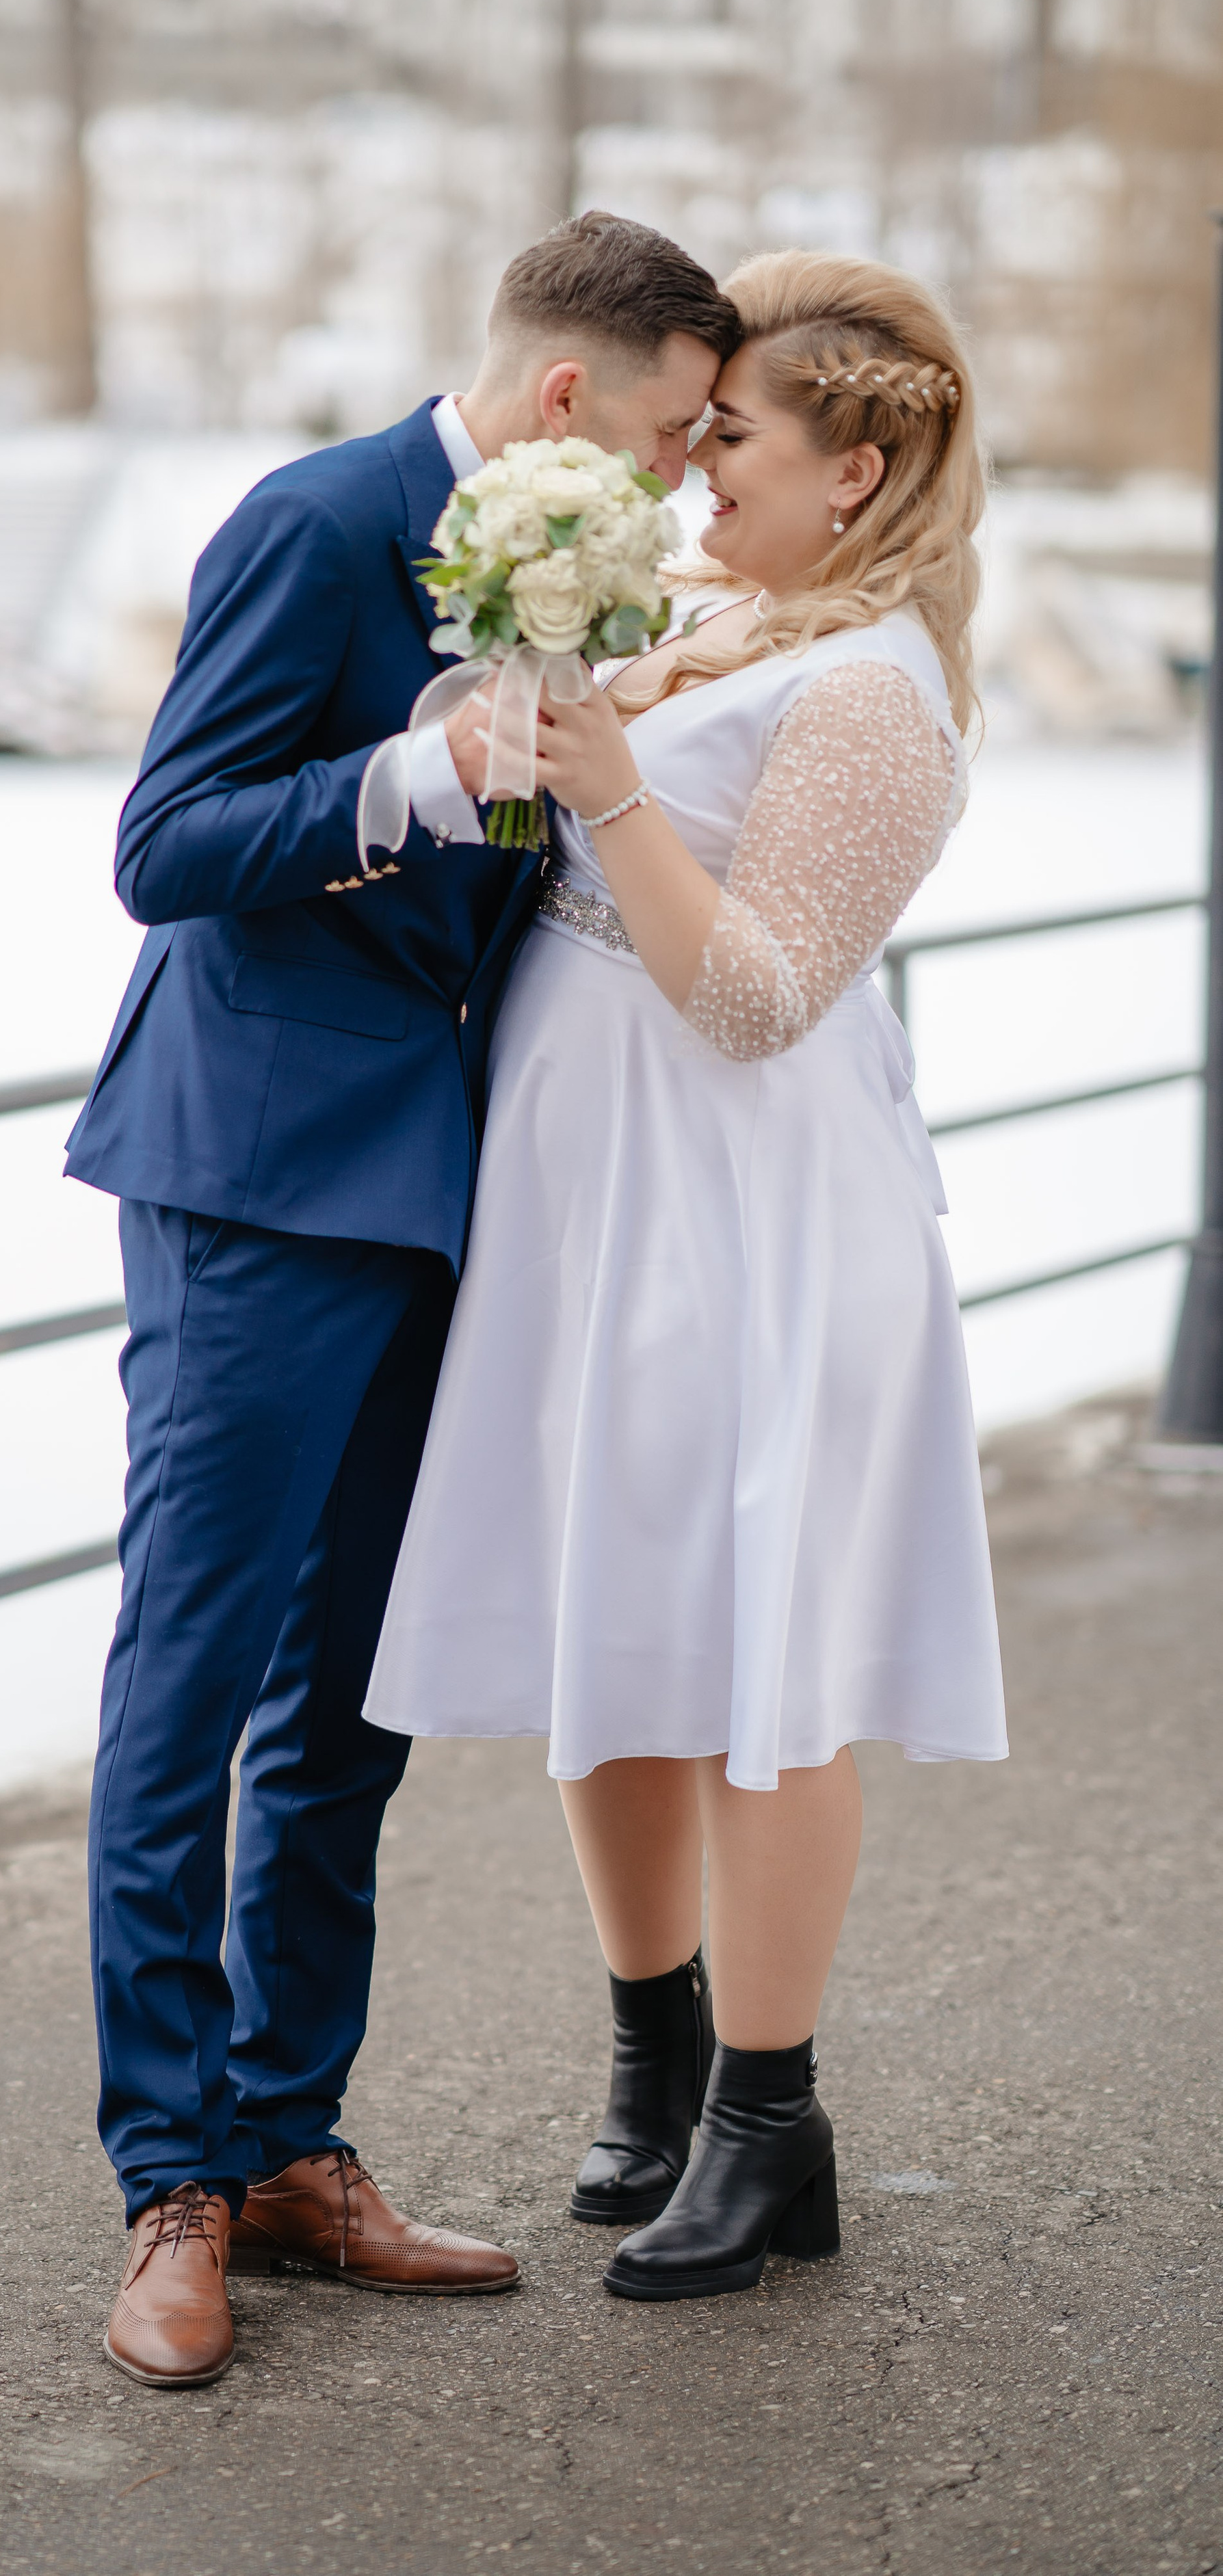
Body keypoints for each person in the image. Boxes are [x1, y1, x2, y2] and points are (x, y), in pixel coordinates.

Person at [64, 213, 741, 2386]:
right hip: (254, 1176)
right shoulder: (315, 520)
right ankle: (167, 2178)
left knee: (353, 1702)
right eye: (669, 428)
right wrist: (425, 777)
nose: (679, 475)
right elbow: (165, 847)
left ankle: (289, 2141)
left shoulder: (594, 574)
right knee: (191, 1683)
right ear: (569, 402)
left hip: (449, 1193)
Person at [364, 250, 1008, 2303]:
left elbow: (752, 996)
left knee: (760, 1660)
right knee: (610, 1627)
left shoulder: (879, 692)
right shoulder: (733, 615)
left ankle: (768, 2121)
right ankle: (652, 2053)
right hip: (592, 1196)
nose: (691, 474)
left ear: (867, 464)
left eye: (734, 442)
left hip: (750, 1215)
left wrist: (612, 783)